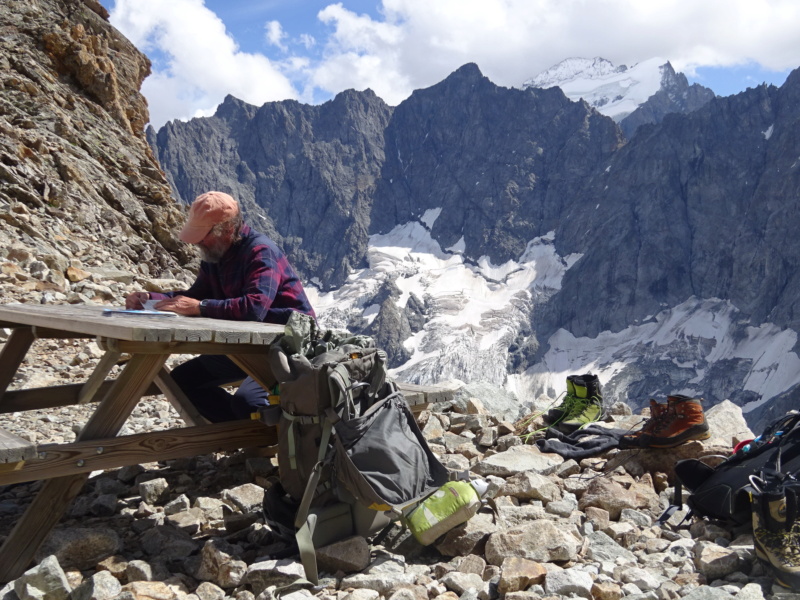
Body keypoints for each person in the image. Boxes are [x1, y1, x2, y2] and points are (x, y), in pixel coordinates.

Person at [126, 191, 316, 422]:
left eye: (203, 236)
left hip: (286, 350)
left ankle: (270, 443)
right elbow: (195, 296)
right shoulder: (215, 255)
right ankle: (244, 437)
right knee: (181, 382)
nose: (197, 242)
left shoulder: (260, 252)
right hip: (245, 348)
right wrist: (151, 299)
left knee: (248, 402)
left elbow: (253, 308)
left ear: (226, 229)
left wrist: (201, 308)